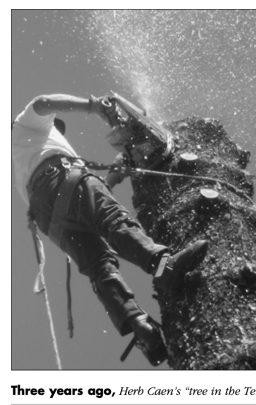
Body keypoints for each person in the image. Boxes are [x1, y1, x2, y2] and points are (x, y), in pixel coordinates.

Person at [12, 94, 209, 366]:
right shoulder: (24, 125)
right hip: (60, 178)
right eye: (54, 126)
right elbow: (44, 102)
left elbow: (74, 205)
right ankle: (164, 266)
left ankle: (139, 326)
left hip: (49, 218)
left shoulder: (20, 163)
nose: (55, 130)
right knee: (113, 219)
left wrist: (110, 180)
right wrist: (93, 106)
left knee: (99, 266)